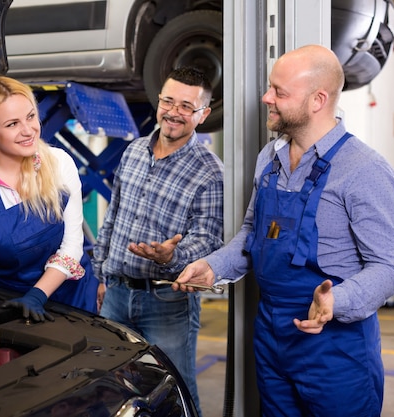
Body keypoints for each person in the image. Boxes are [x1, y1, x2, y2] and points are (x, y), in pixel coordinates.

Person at [175, 44, 394, 416]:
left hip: (335, 348)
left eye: (279, 92)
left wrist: (338, 301)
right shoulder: (269, 159)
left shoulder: (365, 170)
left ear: (318, 100)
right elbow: (253, 234)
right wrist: (214, 266)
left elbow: (389, 267)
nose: (267, 97)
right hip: (271, 337)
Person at [92, 66, 225, 417]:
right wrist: (101, 274)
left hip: (165, 301)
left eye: (186, 106)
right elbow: (113, 215)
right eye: (168, 101)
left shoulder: (210, 171)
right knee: (112, 385)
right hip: (117, 295)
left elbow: (209, 238)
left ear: (203, 114)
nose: (174, 112)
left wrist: (172, 255)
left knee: (177, 390)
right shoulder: (134, 151)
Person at [0, 75, 99, 341]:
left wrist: (37, 294)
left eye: (31, 116)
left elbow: (71, 246)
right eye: (13, 124)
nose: (28, 130)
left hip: (72, 296)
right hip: (9, 302)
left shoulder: (59, 163)